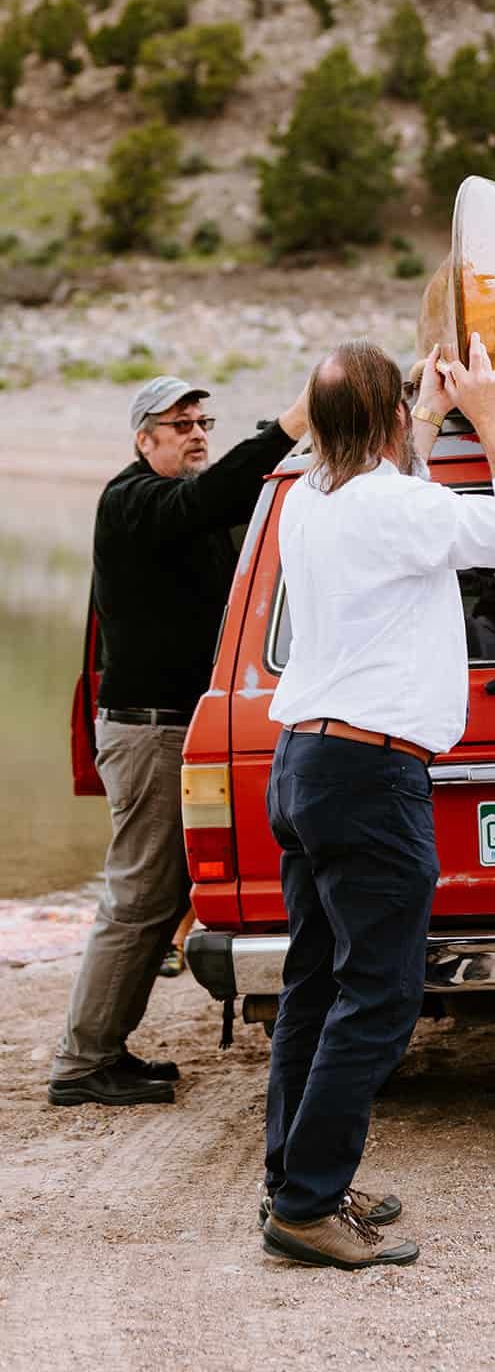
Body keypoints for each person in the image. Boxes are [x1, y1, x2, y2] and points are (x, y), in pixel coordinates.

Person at [260, 333, 495, 1273]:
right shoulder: (398, 506)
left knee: (313, 984)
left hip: (302, 765)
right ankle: (307, 1208)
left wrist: (422, 414)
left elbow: (392, 485)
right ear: (386, 422)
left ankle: (295, 1180)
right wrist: (490, 417)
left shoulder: (302, 501)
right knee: (379, 997)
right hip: (366, 776)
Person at [49, 376, 308, 1107]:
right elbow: (211, 498)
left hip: (177, 730)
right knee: (139, 898)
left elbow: (235, 498)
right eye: (179, 424)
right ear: (144, 439)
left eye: (202, 421)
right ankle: (81, 1063)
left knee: (158, 897)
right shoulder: (133, 502)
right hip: (149, 731)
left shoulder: (185, 512)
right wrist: (289, 423)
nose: (196, 432)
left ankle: (101, 1051)